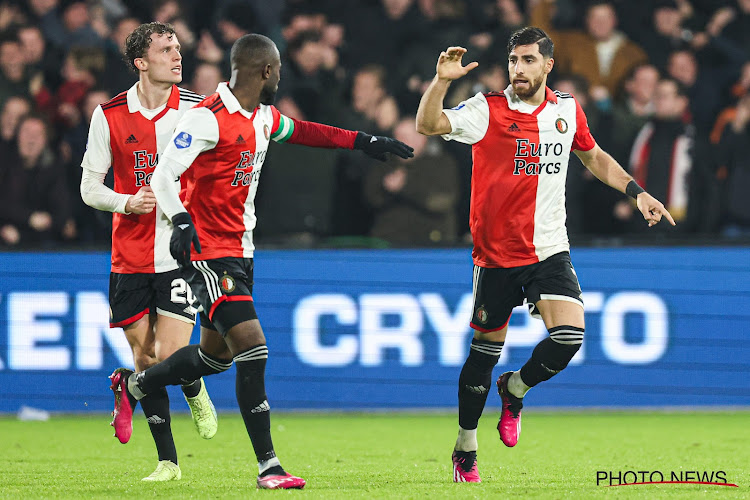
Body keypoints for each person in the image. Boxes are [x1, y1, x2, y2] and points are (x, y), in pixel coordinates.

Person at [108, 33, 413, 490]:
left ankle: (134, 386)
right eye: (278, 71)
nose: (280, 78)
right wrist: (182, 222)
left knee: (216, 360)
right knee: (254, 347)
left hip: (243, 252)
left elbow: (307, 131)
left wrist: (363, 140)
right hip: (208, 254)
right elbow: (162, 175)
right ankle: (268, 466)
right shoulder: (206, 119)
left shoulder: (264, 117)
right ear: (265, 71)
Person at [415, 27, 675, 483]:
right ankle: (465, 445)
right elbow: (428, 125)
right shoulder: (487, 110)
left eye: (529, 60)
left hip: (549, 249)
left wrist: (637, 192)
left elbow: (592, 156)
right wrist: (441, 82)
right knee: (483, 354)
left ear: (547, 65)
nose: (519, 69)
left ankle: (514, 390)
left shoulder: (567, 111)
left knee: (570, 337)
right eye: (514, 60)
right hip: (496, 257)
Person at [79, 22, 218, 482]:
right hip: (130, 254)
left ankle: (193, 386)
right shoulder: (110, 115)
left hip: (180, 252)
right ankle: (168, 463)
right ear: (141, 62)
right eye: (165, 50)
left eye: (179, 48)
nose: (178, 57)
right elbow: (88, 188)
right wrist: (125, 201)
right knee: (145, 357)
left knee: (173, 357)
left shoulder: (198, 111)